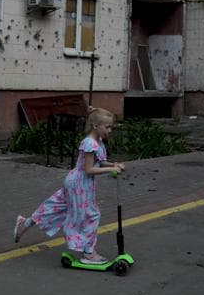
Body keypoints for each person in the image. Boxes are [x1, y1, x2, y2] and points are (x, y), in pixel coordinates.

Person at [13, 107, 126, 264]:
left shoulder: (97, 142)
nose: (110, 130)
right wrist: (111, 169)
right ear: (95, 126)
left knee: (55, 206)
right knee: (90, 216)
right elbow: (89, 169)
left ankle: (24, 223)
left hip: (77, 183)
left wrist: (112, 163)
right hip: (80, 184)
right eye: (107, 127)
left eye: (110, 127)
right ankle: (88, 253)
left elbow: (97, 162)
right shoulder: (89, 143)